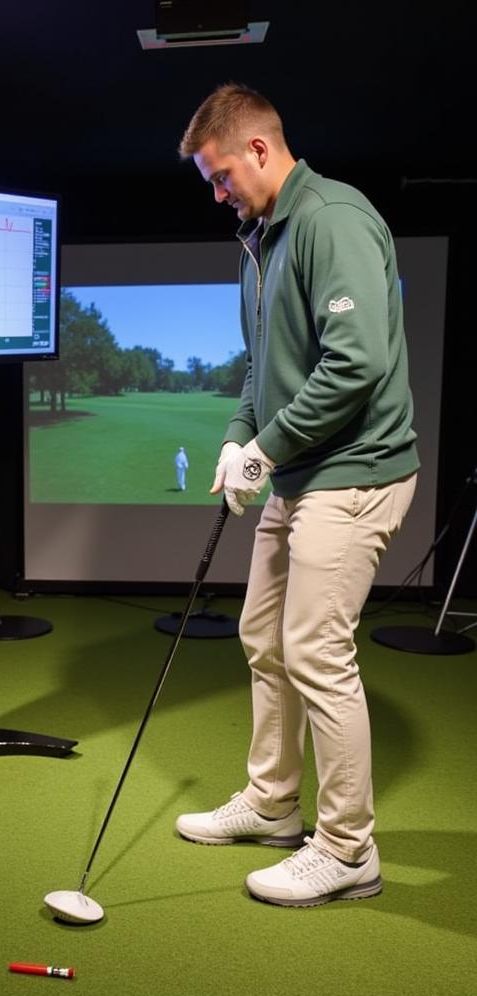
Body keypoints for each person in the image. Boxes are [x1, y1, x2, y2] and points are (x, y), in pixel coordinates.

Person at [172, 84, 419, 907]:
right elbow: (260, 367)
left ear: (259, 151)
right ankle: (275, 804)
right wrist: (241, 440)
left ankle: (348, 849)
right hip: (303, 472)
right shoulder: (260, 242)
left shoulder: (332, 219)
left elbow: (355, 364)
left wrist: (268, 449)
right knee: (264, 638)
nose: (217, 194)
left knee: (315, 649)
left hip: (359, 471)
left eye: (219, 176)